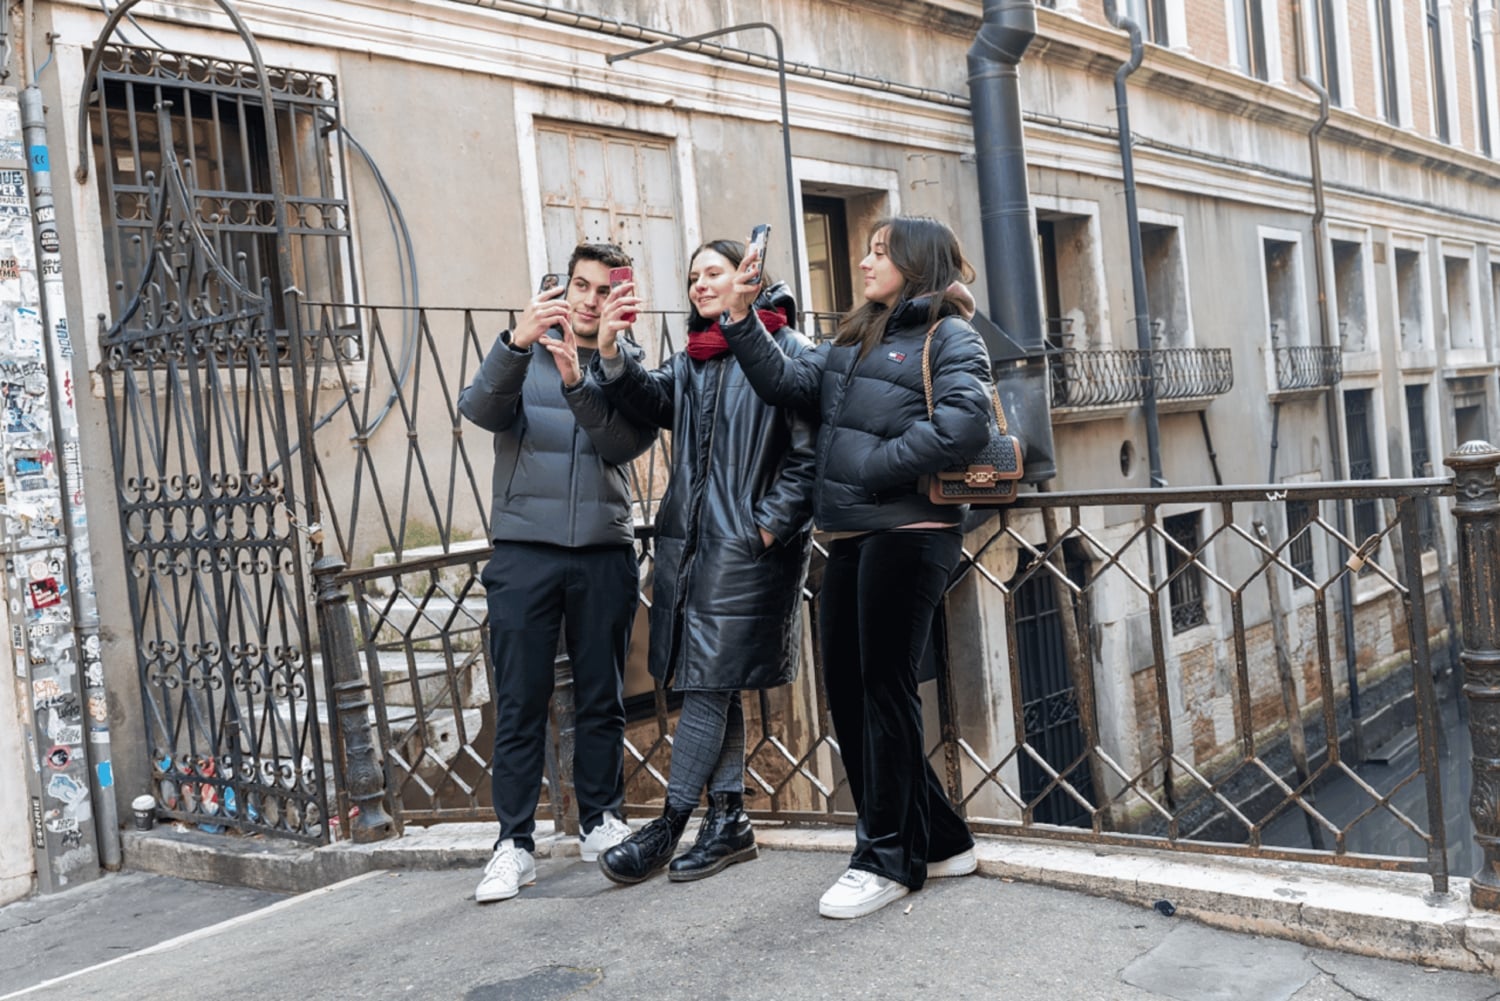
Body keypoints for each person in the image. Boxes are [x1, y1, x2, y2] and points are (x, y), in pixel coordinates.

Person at [717, 215, 993, 919]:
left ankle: (887, 857)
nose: (865, 262)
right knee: (848, 687)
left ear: (915, 262)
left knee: (884, 689)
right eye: (867, 249)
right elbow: (785, 381)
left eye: (879, 252)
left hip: (912, 530)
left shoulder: (950, 335)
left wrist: (874, 464)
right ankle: (944, 839)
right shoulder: (854, 335)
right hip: (850, 534)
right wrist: (741, 315)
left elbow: (966, 424)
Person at [583, 238, 817, 884]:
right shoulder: (693, 361)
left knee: (708, 685)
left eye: (711, 272)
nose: (698, 285)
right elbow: (650, 399)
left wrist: (766, 528)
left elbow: (808, 456)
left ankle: (669, 823)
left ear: (748, 275)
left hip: (746, 552)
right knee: (714, 676)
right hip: (693, 548)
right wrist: (609, 351)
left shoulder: (788, 351)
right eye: (692, 277)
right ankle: (730, 818)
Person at [458, 242, 656, 903]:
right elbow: (480, 410)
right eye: (581, 285)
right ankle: (514, 842)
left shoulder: (623, 363)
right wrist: (516, 342)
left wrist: (587, 373)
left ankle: (599, 821)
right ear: (563, 286)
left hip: (603, 549)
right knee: (519, 701)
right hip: (524, 550)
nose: (590, 299)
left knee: (603, 698)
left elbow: (625, 444)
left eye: (604, 289)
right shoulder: (523, 351)